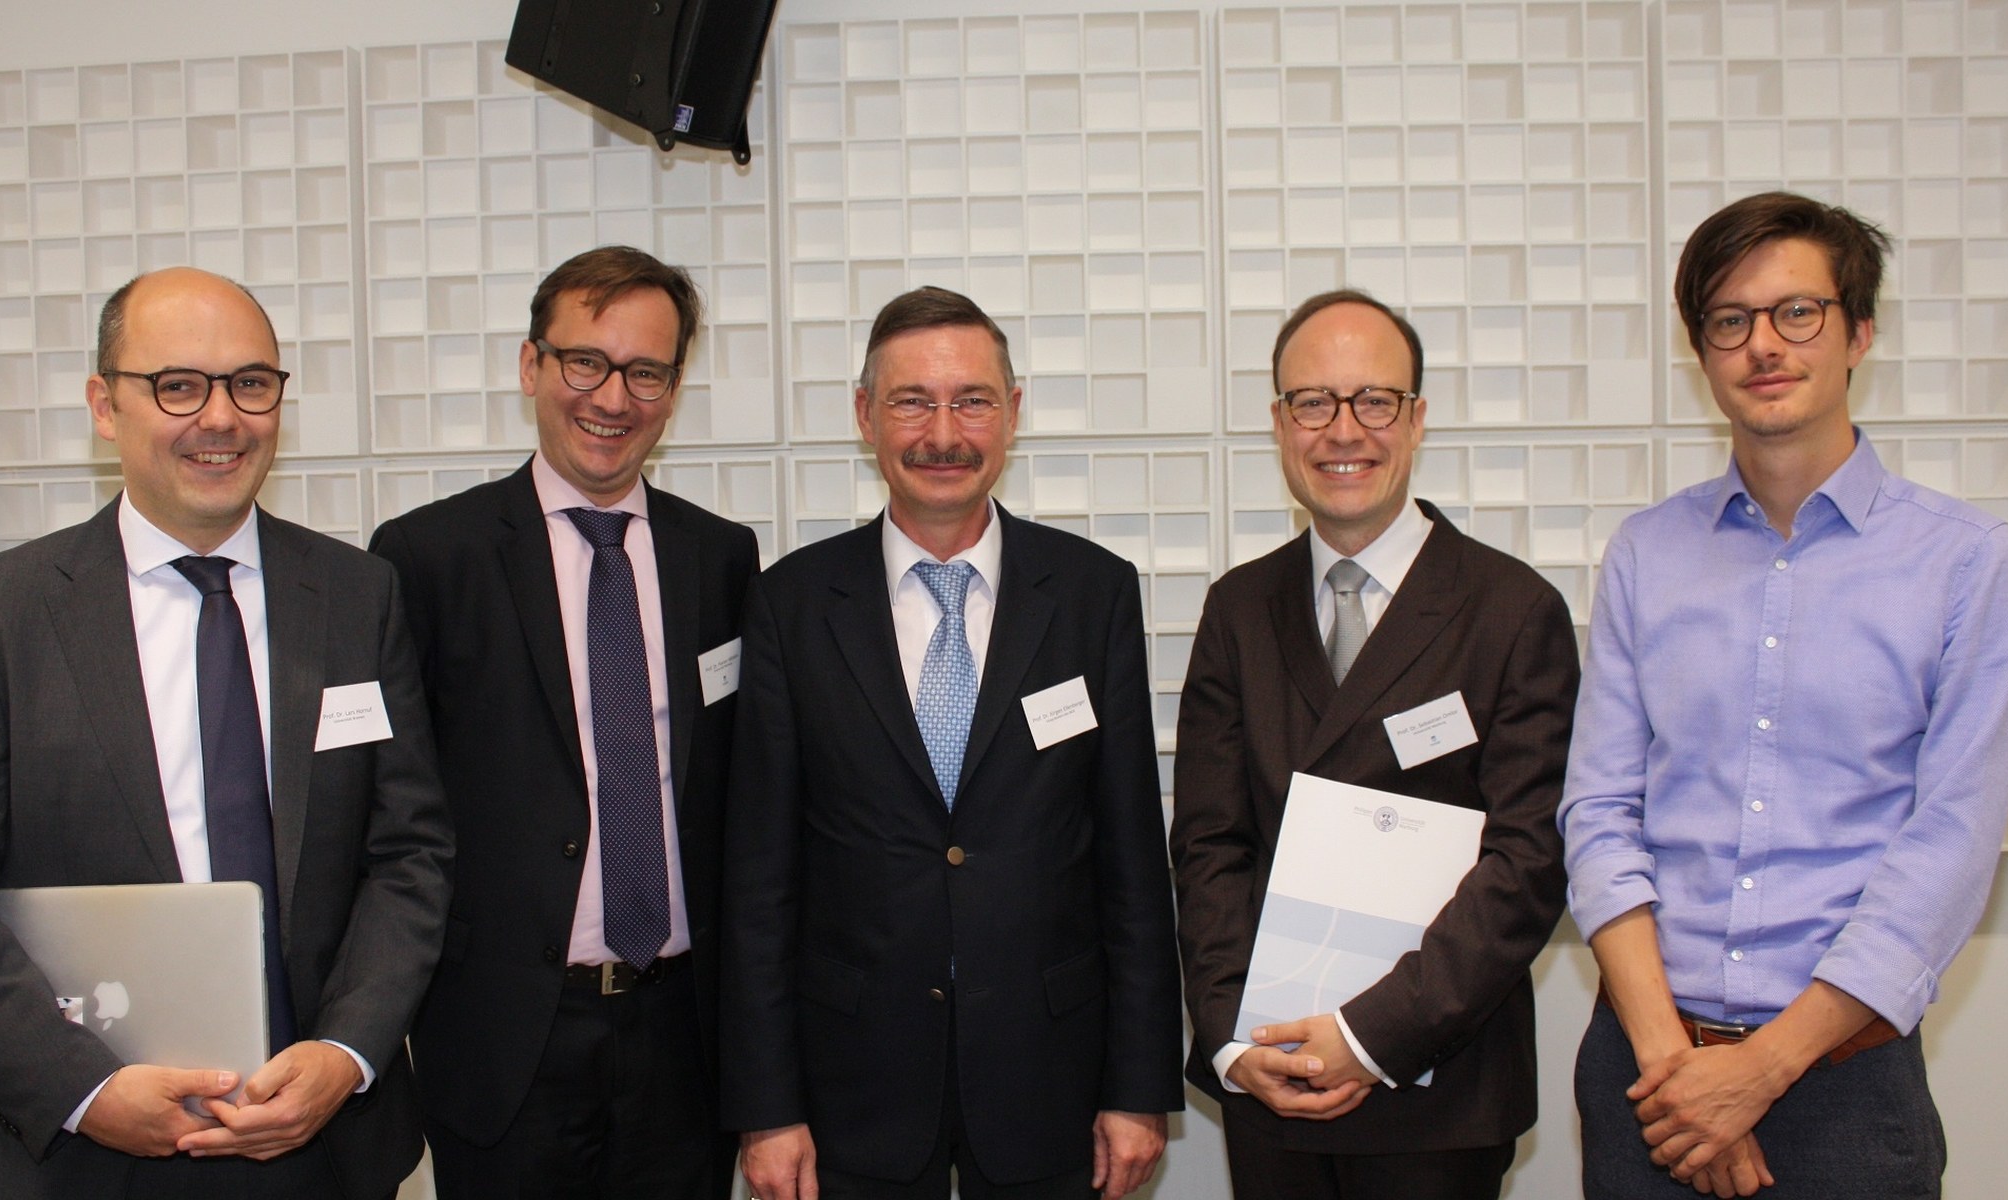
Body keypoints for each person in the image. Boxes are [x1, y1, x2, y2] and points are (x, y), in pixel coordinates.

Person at [0, 266, 452, 1198]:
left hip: (327, 1147)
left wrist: (346, 1051)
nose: (221, 418)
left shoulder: (355, 596)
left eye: (250, 384)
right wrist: (83, 1088)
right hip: (91, 1159)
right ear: (105, 405)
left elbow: (409, 853)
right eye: (178, 385)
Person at [1560, 191, 2008, 1199]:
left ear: (1859, 332)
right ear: (1700, 351)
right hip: (1649, 1073)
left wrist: (1758, 1072)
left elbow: (1949, 845)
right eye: (1729, 321)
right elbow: (1599, 812)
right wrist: (1679, 1068)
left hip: (1843, 1087)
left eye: (1797, 313)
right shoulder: (1647, 553)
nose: (1763, 345)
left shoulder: (1964, 560)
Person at [722, 286, 1182, 1200]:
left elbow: (1130, 860)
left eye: (972, 400)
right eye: (911, 402)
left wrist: (1138, 1086)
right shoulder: (791, 604)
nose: (943, 434)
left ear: (1013, 413)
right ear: (865, 415)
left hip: (1050, 1076)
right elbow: (759, 880)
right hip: (853, 1084)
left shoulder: (1092, 594)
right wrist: (767, 1107)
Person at [1171, 289, 1580, 1200]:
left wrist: (1367, 1036)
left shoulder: (1512, 611)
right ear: (1280, 424)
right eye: (1313, 402)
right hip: (1273, 1074)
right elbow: (1209, 845)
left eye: (1374, 401)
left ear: (1418, 418)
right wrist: (1234, 1036)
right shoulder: (1239, 609)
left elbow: (1528, 861)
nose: (1343, 430)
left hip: (1438, 1088)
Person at [368, 245, 757, 1197]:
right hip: (504, 1038)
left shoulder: (721, 558)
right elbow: (393, 812)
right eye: (586, 362)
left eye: (646, 372)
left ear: (674, 389)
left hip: (684, 1038)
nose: (612, 398)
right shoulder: (428, 558)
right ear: (531, 365)